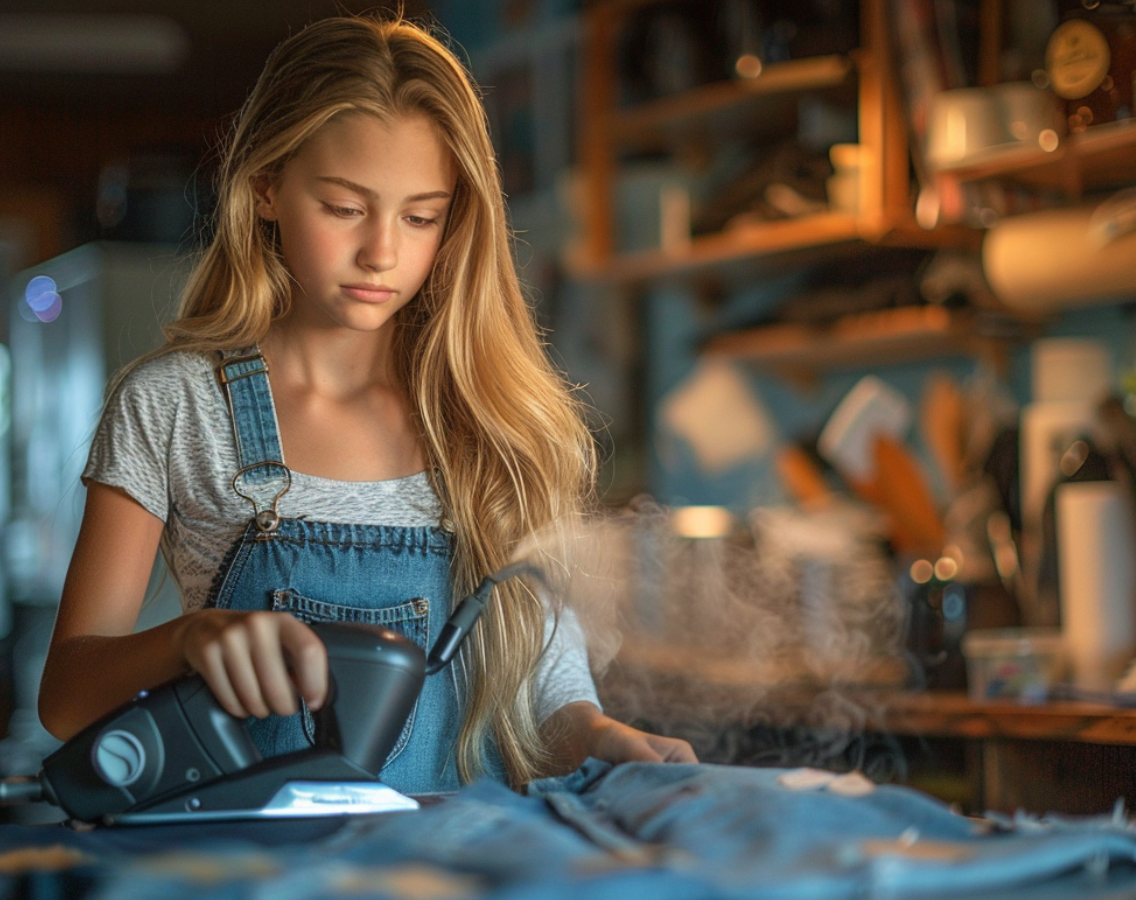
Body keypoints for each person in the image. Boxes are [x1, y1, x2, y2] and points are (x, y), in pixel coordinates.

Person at [38, 12, 695, 795]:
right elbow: (66, 699)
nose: (383, 250)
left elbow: (547, 696)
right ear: (267, 188)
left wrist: (597, 735)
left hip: (459, 880)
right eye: (345, 208)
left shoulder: (493, 420)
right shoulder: (173, 406)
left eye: (420, 216)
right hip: (254, 879)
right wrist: (190, 639)